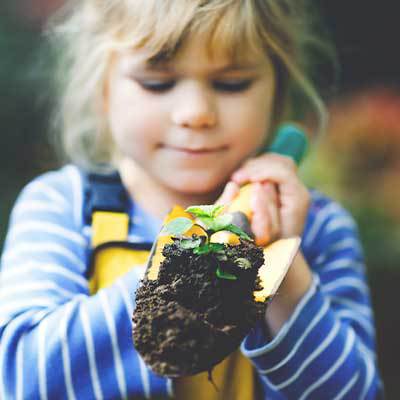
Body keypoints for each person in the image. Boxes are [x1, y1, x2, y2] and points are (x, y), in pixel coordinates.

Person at [0, 0, 383, 398]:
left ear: (278, 89)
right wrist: (189, 273)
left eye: (231, 83)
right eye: (157, 83)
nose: (196, 113)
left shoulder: (319, 229)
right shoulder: (64, 206)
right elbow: (25, 380)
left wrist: (283, 272)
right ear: (103, 89)